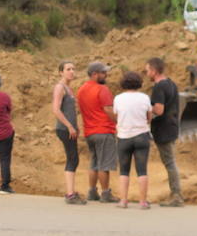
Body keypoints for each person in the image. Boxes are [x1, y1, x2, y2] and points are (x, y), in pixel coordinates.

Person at [76, 61, 117, 203]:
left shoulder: (81, 90)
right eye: (103, 72)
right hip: (104, 130)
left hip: (89, 132)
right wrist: (118, 122)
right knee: (104, 164)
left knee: (94, 163)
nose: (106, 75)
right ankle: (106, 193)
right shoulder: (102, 89)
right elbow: (108, 109)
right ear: (94, 74)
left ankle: (92, 191)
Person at [146, 57, 184, 207]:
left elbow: (159, 110)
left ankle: (176, 195)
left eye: (148, 70)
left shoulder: (159, 87)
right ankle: (176, 194)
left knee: (169, 162)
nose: (146, 73)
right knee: (170, 161)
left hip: (163, 128)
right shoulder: (171, 84)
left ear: (154, 71)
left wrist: (146, 108)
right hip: (172, 125)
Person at [113, 71, 153, 209]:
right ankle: (143, 202)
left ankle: (123, 201)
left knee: (124, 171)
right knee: (142, 170)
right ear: (139, 83)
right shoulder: (145, 98)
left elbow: (117, 115)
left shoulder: (118, 98)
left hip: (124, 137)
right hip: (142, 135)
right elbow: (149, 116)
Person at [51, 61, 85, 204]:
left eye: (73, 69)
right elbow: (56, 109)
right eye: (68, 69)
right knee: (72, 159)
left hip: (70, 129)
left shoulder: (69, 89)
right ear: (61, 72)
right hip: (65, 129)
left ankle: (71, 192)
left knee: (73, 159)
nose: (72, 71)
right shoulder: (60, 87)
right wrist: (70, 126)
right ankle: (70, 194)